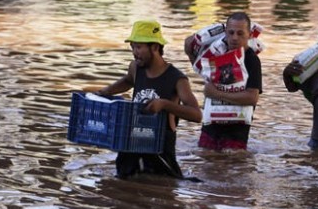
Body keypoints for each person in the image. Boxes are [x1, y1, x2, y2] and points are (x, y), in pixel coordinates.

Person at [96, 20, 202, 179]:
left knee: (165, 188)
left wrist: (165, 104)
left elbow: (196, 115)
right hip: (131, 143)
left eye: (138, 47)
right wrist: (106, 91)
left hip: (159, 150)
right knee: (120, 188)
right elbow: (128, 81)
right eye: (132, 47)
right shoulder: (136, 68)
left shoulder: (177, 78)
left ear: (155, 47)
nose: (134, 52)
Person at [193, 12, 262, 150]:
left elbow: (252, 98)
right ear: (225, 33)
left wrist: (217, 94)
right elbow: (200, 69)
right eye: (230, 33)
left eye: (240, 33)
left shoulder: (251, 60)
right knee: (204, 164)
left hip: (236, 132)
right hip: (210, 128)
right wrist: (189, 50)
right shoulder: (217, 53)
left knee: (233, 164)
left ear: (249, 35)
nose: (234, 38)